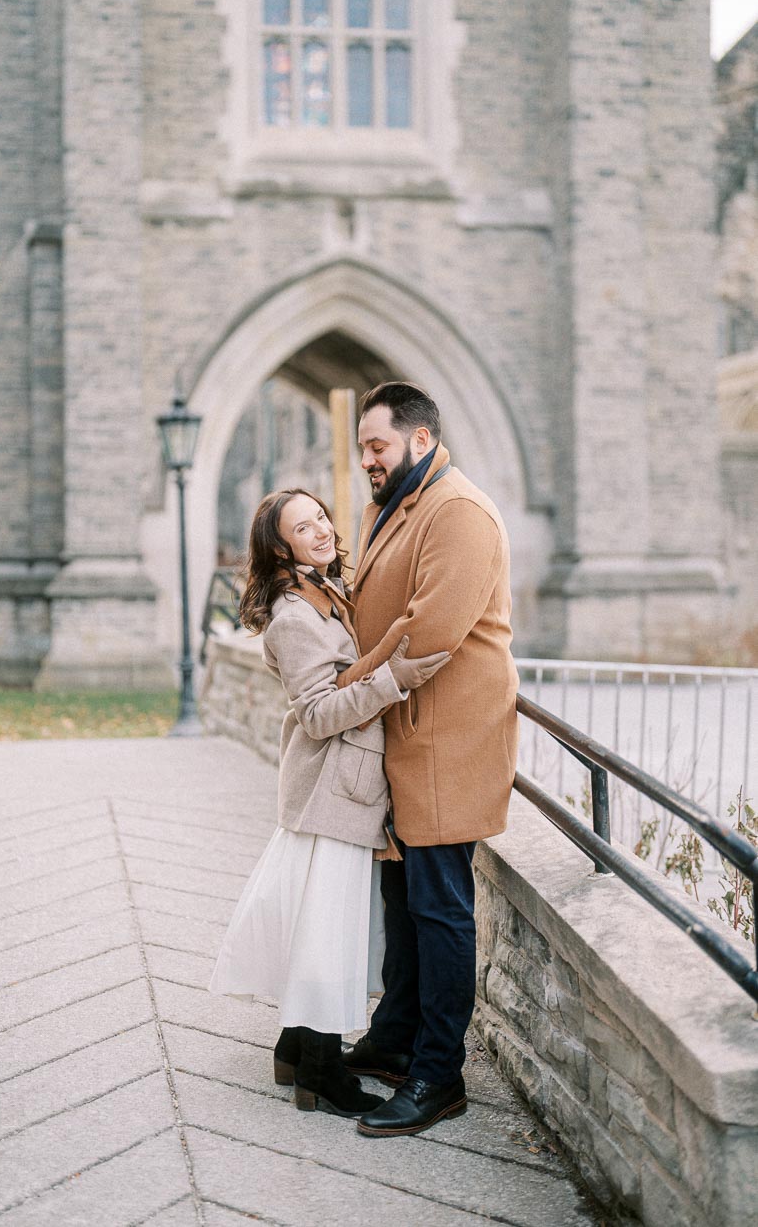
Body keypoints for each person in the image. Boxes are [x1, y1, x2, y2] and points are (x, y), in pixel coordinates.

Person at [209, 488, 449, 1118]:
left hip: (341, 785)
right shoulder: (294, 615)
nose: (319, 529)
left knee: (322, 923)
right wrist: (395, 680)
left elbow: (344, 671)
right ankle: (321, 1073)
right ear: (280, 547)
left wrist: (385, 651)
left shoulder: (324, 592)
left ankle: (293, 1051)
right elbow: (317, 712)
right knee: (329, 932)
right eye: (302, 526)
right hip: (332, 786)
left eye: (320, 517)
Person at [337, 381, 519, 1138]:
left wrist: (344, 689)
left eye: (376, 447)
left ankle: (439, 1076)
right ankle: (395, 1037)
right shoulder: (399, 504)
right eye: (362, 452)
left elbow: (430, 630)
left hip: (447, 738)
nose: (368, 463)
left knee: (440, 908)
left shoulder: (460, 511)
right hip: (405, 734)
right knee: (400, 901)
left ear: (418, 439)